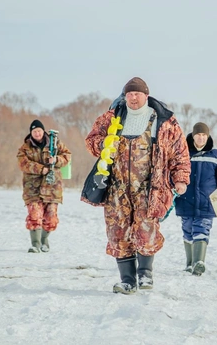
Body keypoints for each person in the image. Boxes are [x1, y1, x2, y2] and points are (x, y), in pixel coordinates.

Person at [83, 77, 191, 294]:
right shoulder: (112, 118)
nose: (133, 98)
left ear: (146, 96)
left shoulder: (164, 121)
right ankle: (127, 280)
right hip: (116, 188)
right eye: (130, 94)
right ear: (125, 96)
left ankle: (145, 274)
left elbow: (179, 151)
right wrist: (104, 143)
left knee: (146, 230)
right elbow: (91, 141)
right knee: (118, 232)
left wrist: (180, 178)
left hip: (149, 188)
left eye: (137, 94)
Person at [175, 122, 217, 276]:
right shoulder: (184, 153)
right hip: (185, 200)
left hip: (206, 202)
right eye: (198, 135)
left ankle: (199, 262)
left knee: (202, 230)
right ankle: (190, 263)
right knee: (188, 231)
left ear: (208, 137)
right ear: (193, 135)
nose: (201, 138)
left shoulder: (215, 155)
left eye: (204, 135)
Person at [16, 120, 72, 253]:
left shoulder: (55, 144)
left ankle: (44, 241)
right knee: (35, 216)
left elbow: (67, 156)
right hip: (32, 188)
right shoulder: (25, 148)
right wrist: (41, 169)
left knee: (51, 219)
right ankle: (35, 244)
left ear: (43, 131)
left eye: (39, 131)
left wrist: (56, 160)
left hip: (52, 188)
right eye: (34, 131)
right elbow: (23, 163)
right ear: (31, 133)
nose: (37, 133)